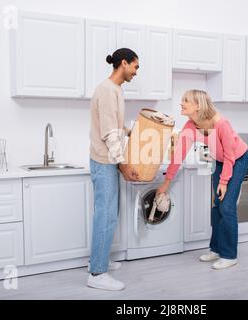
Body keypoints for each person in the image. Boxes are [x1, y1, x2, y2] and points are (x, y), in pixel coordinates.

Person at [157, 89, 248, 270]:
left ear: (198, 105)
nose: (181, 103)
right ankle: (215, 249)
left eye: (186, 101)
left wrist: (223, 182)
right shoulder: (190, 126)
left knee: (227, 206)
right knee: (216, 206)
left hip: (237, 160)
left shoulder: (220, 123)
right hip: (221, 161)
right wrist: (166, 183)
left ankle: (230, 255)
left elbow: (231, 155)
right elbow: (178, 155)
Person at [88, 48, 140, 290]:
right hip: (105, 161)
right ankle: (97, 273)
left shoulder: (115, 90)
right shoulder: (108, 91)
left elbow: (115, 127)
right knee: (106, 216)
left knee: (110, 215)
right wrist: (124, 165)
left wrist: (132, 131)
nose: (136, 72)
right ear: (123, 63)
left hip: (107, 160)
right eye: (135, 67)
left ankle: (101, 259)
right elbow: (109, 134)